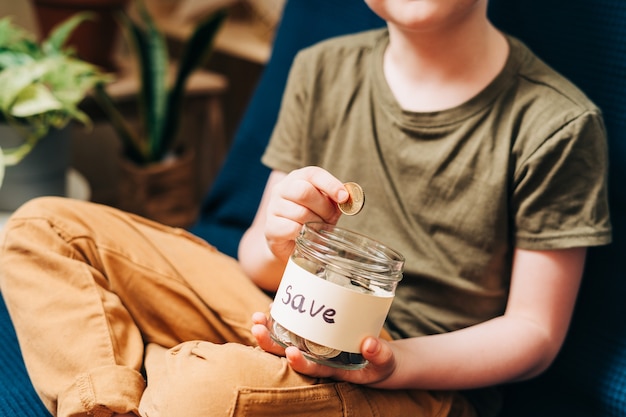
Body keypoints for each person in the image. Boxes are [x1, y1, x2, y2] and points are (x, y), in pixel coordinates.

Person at [0, 0, 611, 416]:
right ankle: (112, 403)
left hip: (417, 381)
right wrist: (284, 240)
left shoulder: (557, 122)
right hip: (281, 311)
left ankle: (168, 368)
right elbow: (257, 263)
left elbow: (535, 333)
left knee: (196, 388)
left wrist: (395, 364)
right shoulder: (321, 69)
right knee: (39, 225)